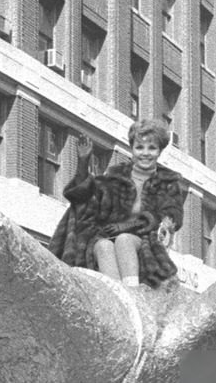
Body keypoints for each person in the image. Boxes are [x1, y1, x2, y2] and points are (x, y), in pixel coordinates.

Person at [49, 119, 187, 289]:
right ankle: (117, 295)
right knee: (102, 246)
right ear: (132, 149)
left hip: (146, 242)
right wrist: (83, 164)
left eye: (152, 148)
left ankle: (133, 292)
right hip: (109, 235)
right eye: (139, 147)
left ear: (159, 151)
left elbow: (173, 214)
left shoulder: (168, 181)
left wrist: (131, 225)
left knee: (124, 240)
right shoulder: (116, 176)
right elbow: (86, 199)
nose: (145, 153)